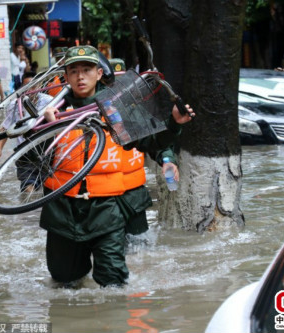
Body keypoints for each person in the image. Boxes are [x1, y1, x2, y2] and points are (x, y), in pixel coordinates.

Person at [41, 45, 194, 288]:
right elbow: (29, 161)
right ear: (66, 76)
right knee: (63, 280)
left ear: (100, 73)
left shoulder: (118, 110)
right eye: (74, 71)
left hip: (110, 205)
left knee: (113, 280)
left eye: (87, 70)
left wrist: (173, 126)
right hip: (63, 208)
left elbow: (151, 141)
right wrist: (51, 128)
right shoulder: (51, 111)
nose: (81, 77)